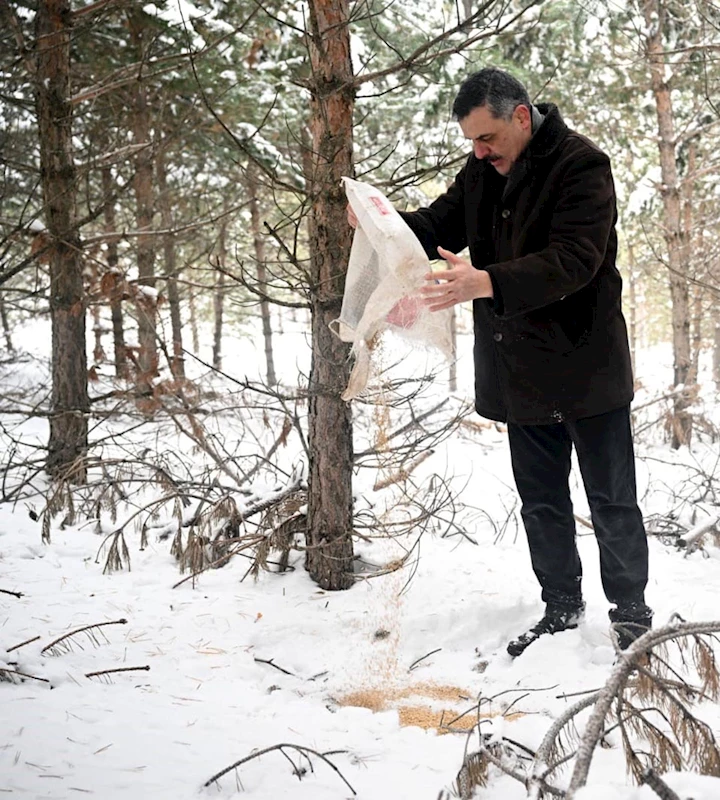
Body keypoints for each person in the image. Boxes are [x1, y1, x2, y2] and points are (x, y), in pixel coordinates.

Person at [349, 67, 652, 657]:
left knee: (611, 499)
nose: (478, 151)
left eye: (486, 137)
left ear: (520, 115)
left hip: (587, 367)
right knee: (541, 501)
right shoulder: (482, 169)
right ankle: (561, 606)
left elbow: (575, 259)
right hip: (519, 372)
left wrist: (485, 280)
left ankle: (631, 612)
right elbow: (437, 224)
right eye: (470, 141)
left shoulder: (582, 166)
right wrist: (382, 222)